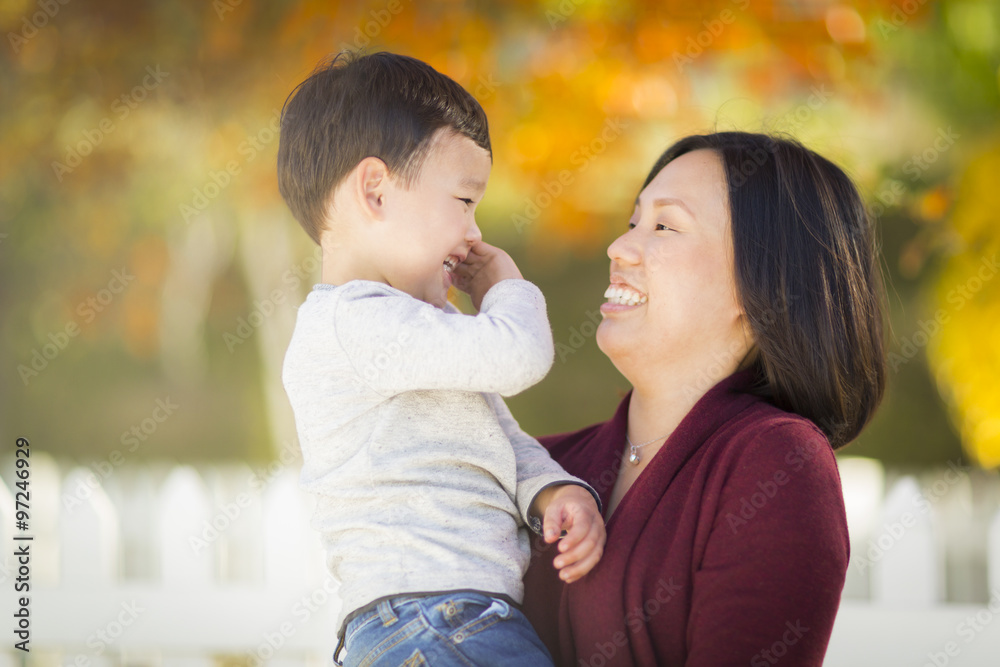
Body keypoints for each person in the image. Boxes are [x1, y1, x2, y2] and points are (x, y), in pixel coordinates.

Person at [277, 51, 606, 667]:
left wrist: (552, 489)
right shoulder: (353, 322)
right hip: (430, 617)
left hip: (444, 620)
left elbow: (498, 438)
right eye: (463, 200)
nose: (475, 233)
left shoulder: (418, 328)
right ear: (375, 190)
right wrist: (506, 287)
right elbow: (520, 356)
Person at [522, 131, 887, 666]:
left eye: (665, 226)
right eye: (632, 223)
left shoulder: (778, 464)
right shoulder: (538, 465)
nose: (618, 248)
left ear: (761, 282)